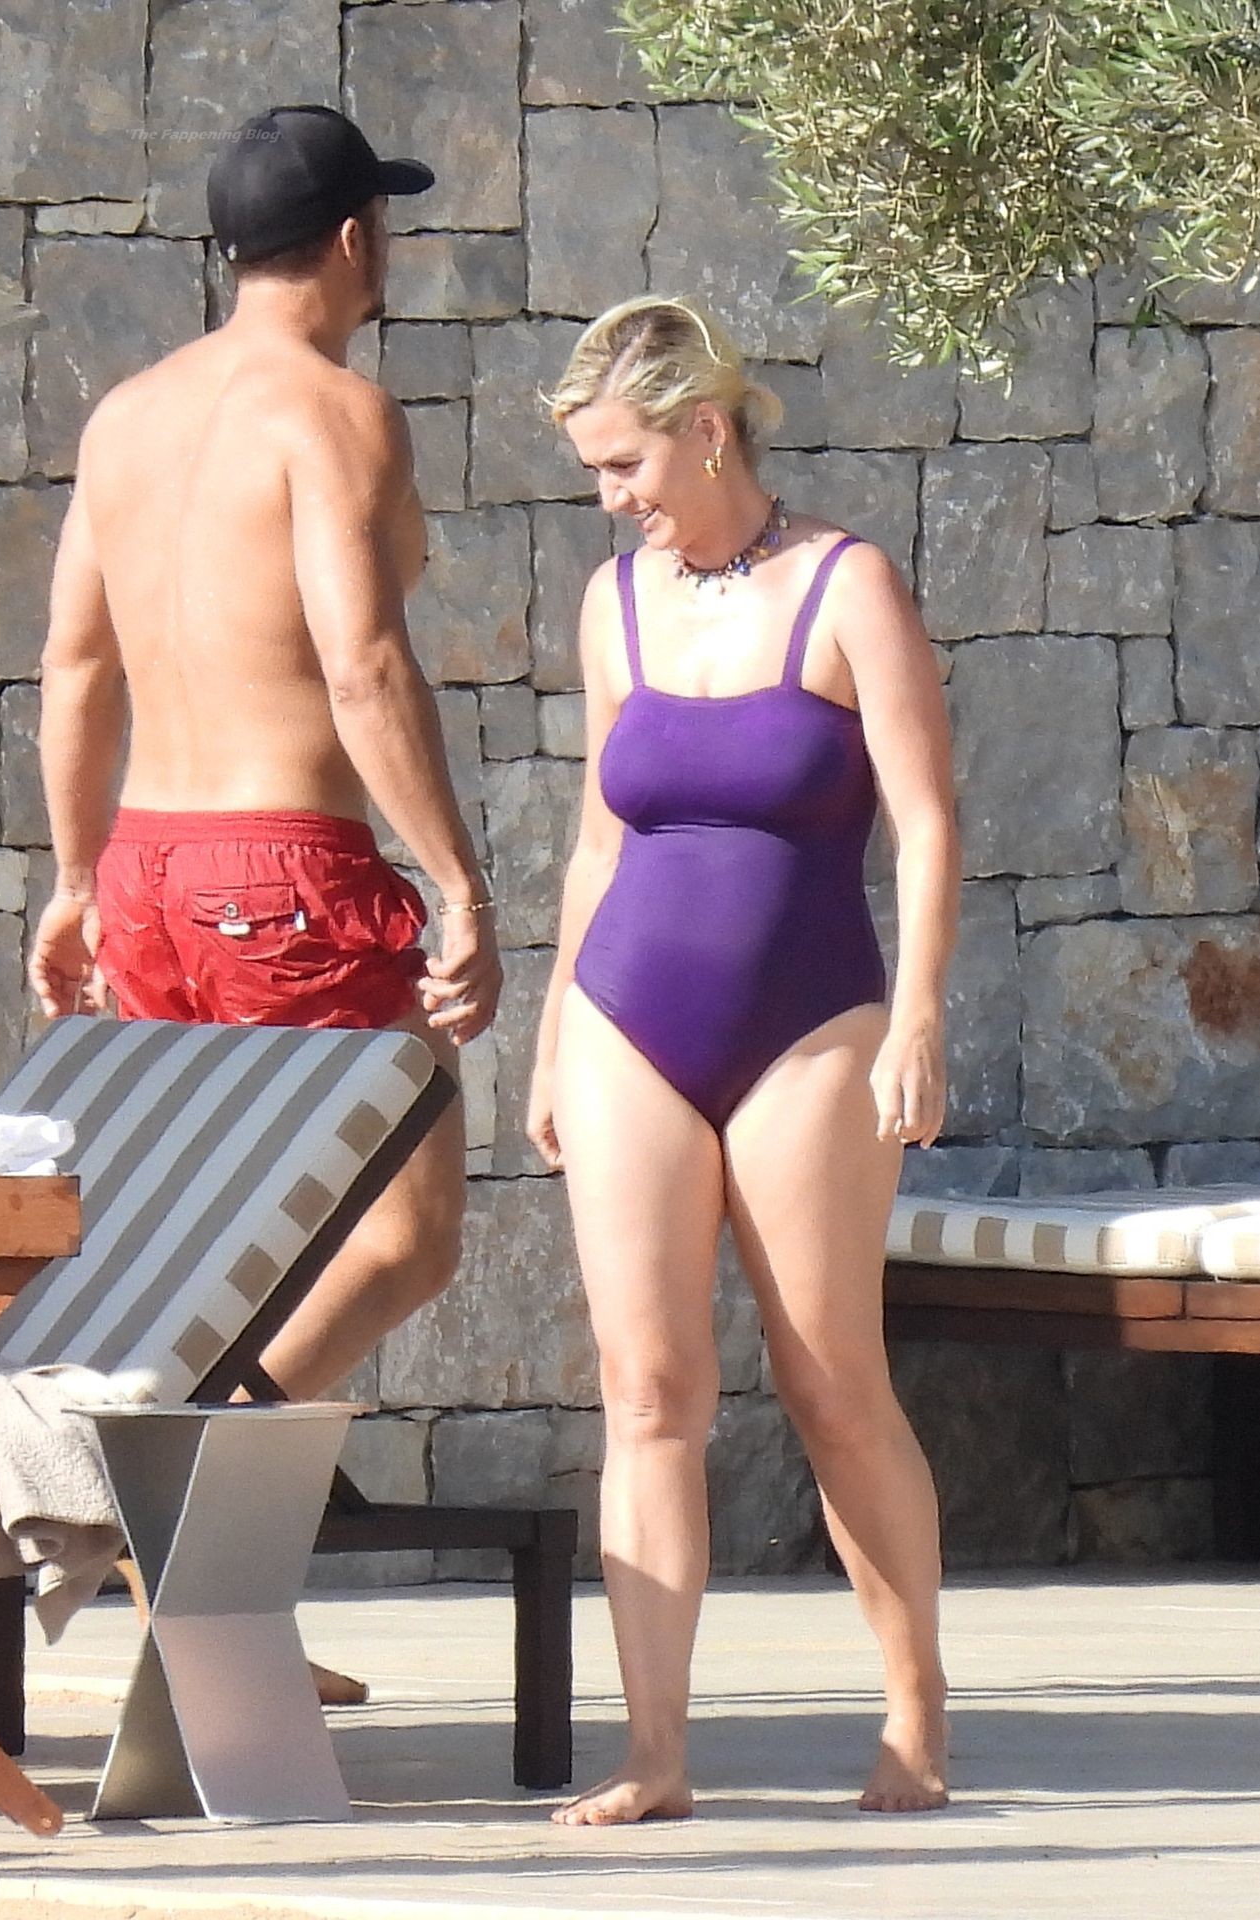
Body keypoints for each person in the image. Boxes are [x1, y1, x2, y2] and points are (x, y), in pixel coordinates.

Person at [528, 297, 959, 1825]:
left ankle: (914, 1715)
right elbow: (597, 842)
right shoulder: (614, 605)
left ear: (705, 431)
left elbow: (924, 820)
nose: (609, 497)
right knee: (644, 1390)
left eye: (624, 463)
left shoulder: (847, 584)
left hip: (811, 1026)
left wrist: (918, 1015)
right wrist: (549, 1035)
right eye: (594, 471)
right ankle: (654, 1754)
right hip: (624, 1018)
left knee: (831, 1382)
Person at [29, 105, 501, 1409]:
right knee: (406, 1234)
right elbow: (364, 666)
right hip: (286, 868)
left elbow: (75, 668)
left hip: (144, 873)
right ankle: (183, 1454)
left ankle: (168, 1473)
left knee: (203, 1233)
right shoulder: (338, 414)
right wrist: (459, 887)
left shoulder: (123, 419)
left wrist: (72, 882)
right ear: (355, 238)